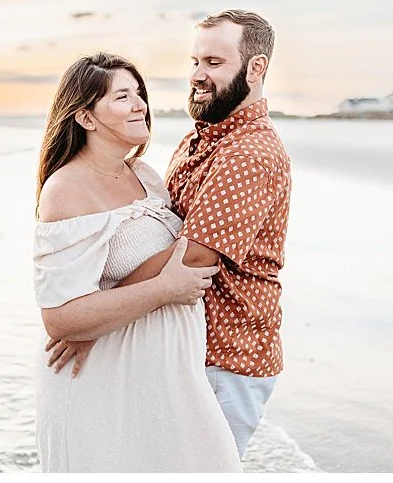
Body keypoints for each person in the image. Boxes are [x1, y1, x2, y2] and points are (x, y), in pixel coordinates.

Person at [33, 53, 240, 472]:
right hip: (104, 381)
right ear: (86, 118)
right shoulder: (65, 189)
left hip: (165, 375)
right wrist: (164, 289)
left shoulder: (143, 175)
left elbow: (162, 258)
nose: (140, 104)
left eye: (139, 93)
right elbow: (59, 319)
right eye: (122, 96)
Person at [164, 10, 292, 457]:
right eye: (195, 62)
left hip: (227, 358)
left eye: (214, 63)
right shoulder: (202, 137)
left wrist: (91, 311)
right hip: (192, 348)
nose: (198, 75)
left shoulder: (248, 151)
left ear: (255, 69)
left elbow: (191, 262)